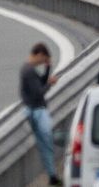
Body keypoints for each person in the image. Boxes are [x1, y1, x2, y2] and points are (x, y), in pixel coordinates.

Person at [20, 42, 60, 186]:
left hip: (34, 109)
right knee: (47, 141)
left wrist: (48, 69)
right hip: (37, 110)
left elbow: (39, 83)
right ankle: (52, 174)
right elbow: (39, 92)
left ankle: (52, 175)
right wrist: (50, 84)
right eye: (43, 60)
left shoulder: (28, 70)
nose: (42, 63)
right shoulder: (28, 71)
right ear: (39, 55)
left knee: (45, 144)